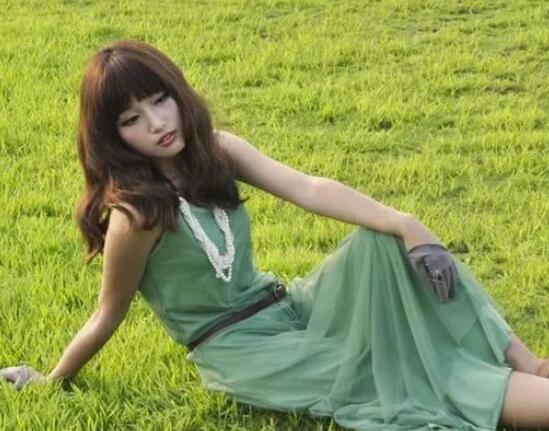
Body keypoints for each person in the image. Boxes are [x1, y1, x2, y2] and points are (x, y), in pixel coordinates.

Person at [1, 39, 548, 430]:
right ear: (112, 136)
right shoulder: (136, 214)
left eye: (159, 100)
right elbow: (107, 314)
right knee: (396, 373)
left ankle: (530, 367)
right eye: (131, 119)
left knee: (384, 241)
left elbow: (308, 187)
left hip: (290, 307)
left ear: (178, 93)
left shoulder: (217, 151)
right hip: (242, 352)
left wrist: (408, 224)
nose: (157, 123)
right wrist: (53, 378)